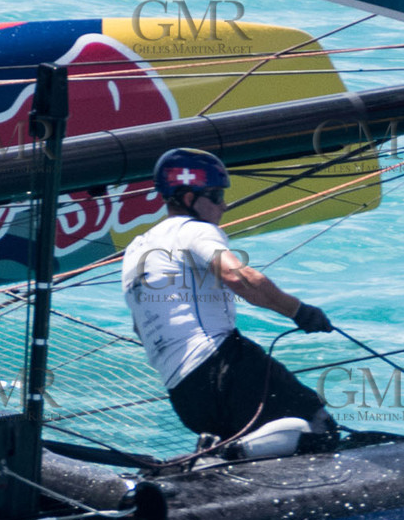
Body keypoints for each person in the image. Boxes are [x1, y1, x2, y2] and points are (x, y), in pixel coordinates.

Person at [123, 147, 339, 456]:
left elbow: (138, 328)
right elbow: (238, 277)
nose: (224, 205)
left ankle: (224, 452)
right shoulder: (193, 230)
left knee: (264, 451)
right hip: (221, 367)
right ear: (188, 199)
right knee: (321, 430)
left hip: (185, 397)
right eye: (216, 196)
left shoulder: (135, 251)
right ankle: (222, 454)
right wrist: (300, 311)